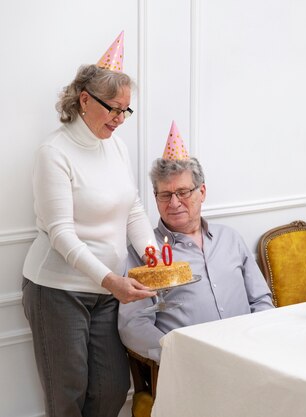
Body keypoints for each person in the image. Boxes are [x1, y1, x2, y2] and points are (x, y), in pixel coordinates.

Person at [21, 32, 157, 417]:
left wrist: (149, 254)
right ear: (84, 100)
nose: (120, 120)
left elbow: (132, 208)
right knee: (68, 397)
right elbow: (61, 232)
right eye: (113, 109)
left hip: (107, 292)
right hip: (58, 291)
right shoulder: (55, 152)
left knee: (112, 390)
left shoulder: (116, 146)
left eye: (126, 110)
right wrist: (111, 280)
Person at [118, 121, 274, 363]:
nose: (174, 202)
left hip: (250, 356)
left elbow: (260, 300)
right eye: (165, 195)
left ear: (202, 192)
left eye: (183, 192)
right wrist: (176, 356)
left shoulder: (230, 238)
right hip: (192, 366)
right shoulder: (145, 252)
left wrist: (258, 341)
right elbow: (133, 324)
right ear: (155, 198)